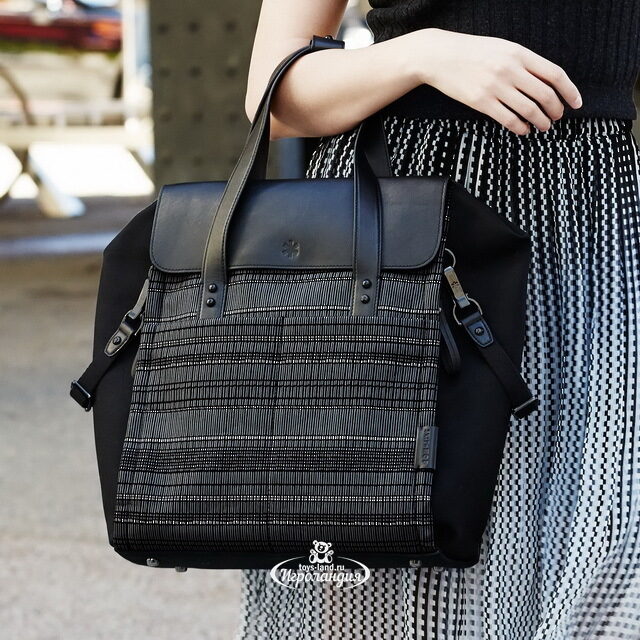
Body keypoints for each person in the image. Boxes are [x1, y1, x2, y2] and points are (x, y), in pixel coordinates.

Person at [237, 1, 640, 638]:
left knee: (606, 535)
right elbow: (273, 91)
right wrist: (423, 53)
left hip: (592, 231)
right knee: (401, 554)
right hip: (407, 225)